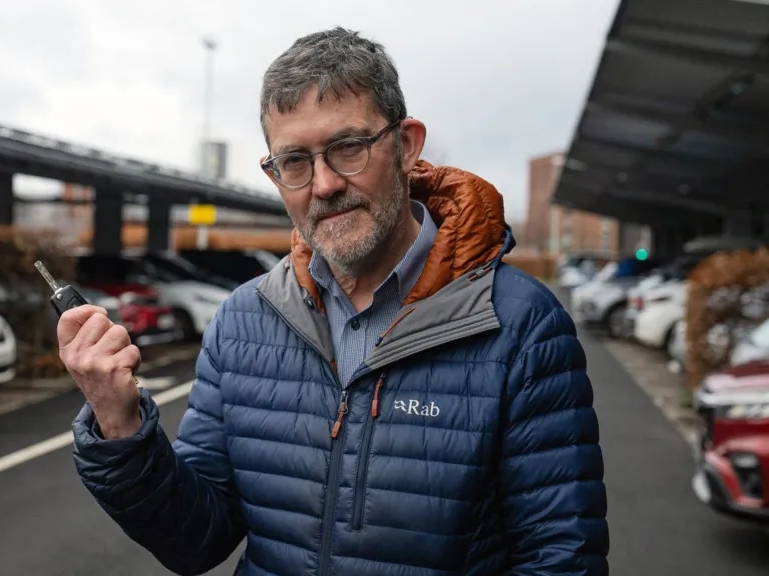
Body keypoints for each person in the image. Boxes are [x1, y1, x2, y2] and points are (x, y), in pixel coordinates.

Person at [58, 27, 609, 576]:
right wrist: (120, 423)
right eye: (294, 160)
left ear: (407, 145)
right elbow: (196, 539)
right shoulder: (243, 320)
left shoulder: (520, 325)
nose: (322, 184)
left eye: (347, 147)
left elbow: (561, 561)